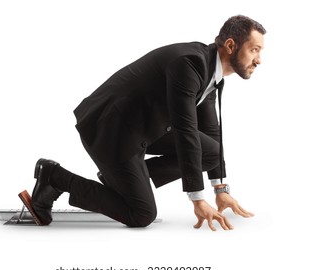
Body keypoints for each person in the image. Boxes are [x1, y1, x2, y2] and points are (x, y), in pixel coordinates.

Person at [19, 15, 266, 231]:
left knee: (211, 150)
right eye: (254, 50)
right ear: (231, 46)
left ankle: (126, 179)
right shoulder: (190, 64)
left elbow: (211, 131)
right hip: (110, 131)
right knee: (141, 214)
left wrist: (220, 190)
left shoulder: (211, 72)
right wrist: (198, 198)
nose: (259, 60)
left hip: (140, 129)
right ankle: (54, 176)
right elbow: (185, 130)